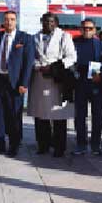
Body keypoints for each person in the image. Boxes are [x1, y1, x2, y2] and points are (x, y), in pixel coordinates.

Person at [28, 13, 76, 157]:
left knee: (58, 114)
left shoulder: (64, 37)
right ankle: (43, 145)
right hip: (39, 78)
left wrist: (54, 66)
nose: (48, 24)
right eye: (45, 21)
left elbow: (72, 57)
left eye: (51, 22)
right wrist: (38, 66)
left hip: (57, 79)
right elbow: (30, 57)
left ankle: (59, 147)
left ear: (56, 23)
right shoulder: (34, 37)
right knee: (40, 114)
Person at [0, 11, 34, 156]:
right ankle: (0, 144)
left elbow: (28, 63)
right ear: (3, 22)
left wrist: (24, 83)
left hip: (15, 82)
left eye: (12, 19)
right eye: (6, 20)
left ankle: (14, 144)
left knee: (14, 114)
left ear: (16, 21)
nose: (9, 22)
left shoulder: (25, 38)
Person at [73, 19, 102, 155]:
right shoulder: (74, 43)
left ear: (95, 30)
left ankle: (95, 145)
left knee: (98, 116)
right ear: (80, 29)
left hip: (97, 85)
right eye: (84, 28)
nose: (87, 31)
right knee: (80, 116)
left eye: (90, 28)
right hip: (80, 84)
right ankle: (81, 144)